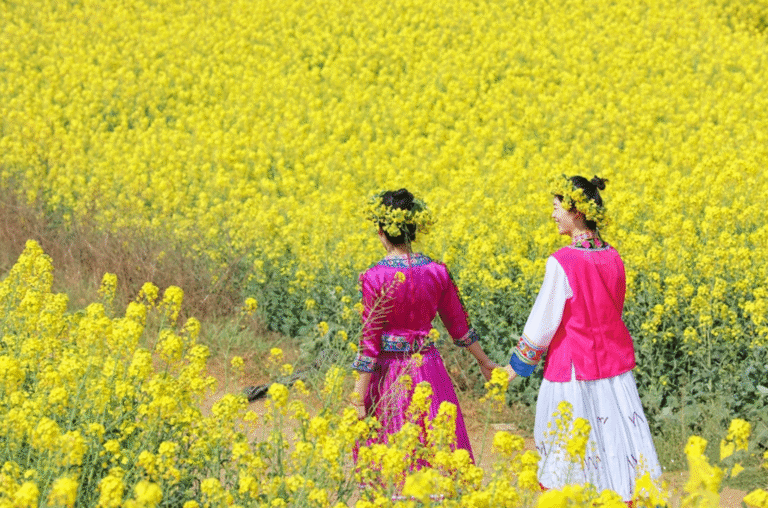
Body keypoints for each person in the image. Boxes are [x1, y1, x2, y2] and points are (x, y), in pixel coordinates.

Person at [503, 175, 661, 503]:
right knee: (616, 442)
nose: (553, 214)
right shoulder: (613, 255)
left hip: (573, 369)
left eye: (557, 207)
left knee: (572, 447)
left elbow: (543, 323)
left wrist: (515, 367)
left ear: (576, 212)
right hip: (614, 371)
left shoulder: (563, 261)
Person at [350, 188, 499, 464]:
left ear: (381, 230)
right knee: (436, 443)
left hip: (389, 375)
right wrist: (484, 361)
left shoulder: (374, 277)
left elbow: (369, 343)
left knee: (392, 452)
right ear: (414, 228)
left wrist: (358, 398)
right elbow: (460, 326)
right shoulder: (437, 271)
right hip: (429, 370)